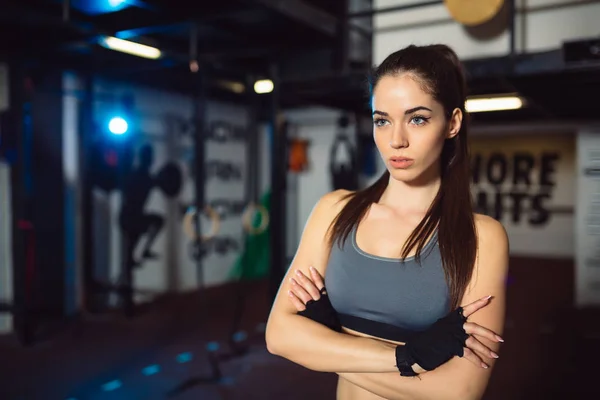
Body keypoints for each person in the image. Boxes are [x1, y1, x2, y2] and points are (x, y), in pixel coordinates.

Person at [265, 44, 509, 400]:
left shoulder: (481, 237)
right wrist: (407, 357)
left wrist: (325, 341)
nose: (396, 140)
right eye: (382, 120)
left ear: (452, 123)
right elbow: (278, 336)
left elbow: (459, 390)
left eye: (418, 119)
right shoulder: (334, 212)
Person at [118, 144, 165, 267]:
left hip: (132, 216)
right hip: (130, 217)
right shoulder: (141, 176)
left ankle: (136, 256)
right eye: (149, 157)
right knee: (151, 224)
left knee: (141, 231)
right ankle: (141, 253)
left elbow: (160, 182)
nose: (151, 160)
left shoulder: (141, 175)